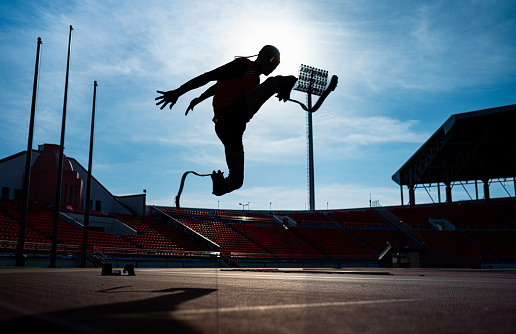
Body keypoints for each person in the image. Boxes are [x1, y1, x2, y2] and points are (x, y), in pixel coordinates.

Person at [156, 45, 297, 196]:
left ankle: (219, 185)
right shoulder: (243, 65)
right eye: (272, 60)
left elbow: (217, 86)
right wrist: (178, 92)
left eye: (277, 64)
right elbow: (209, 76)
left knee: (237, 181)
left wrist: (199, 99)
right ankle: (281, 87)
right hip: (230, 116)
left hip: (231, 129)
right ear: (261, 55)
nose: (274, 66)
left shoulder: (254, 80)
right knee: (281, 81)